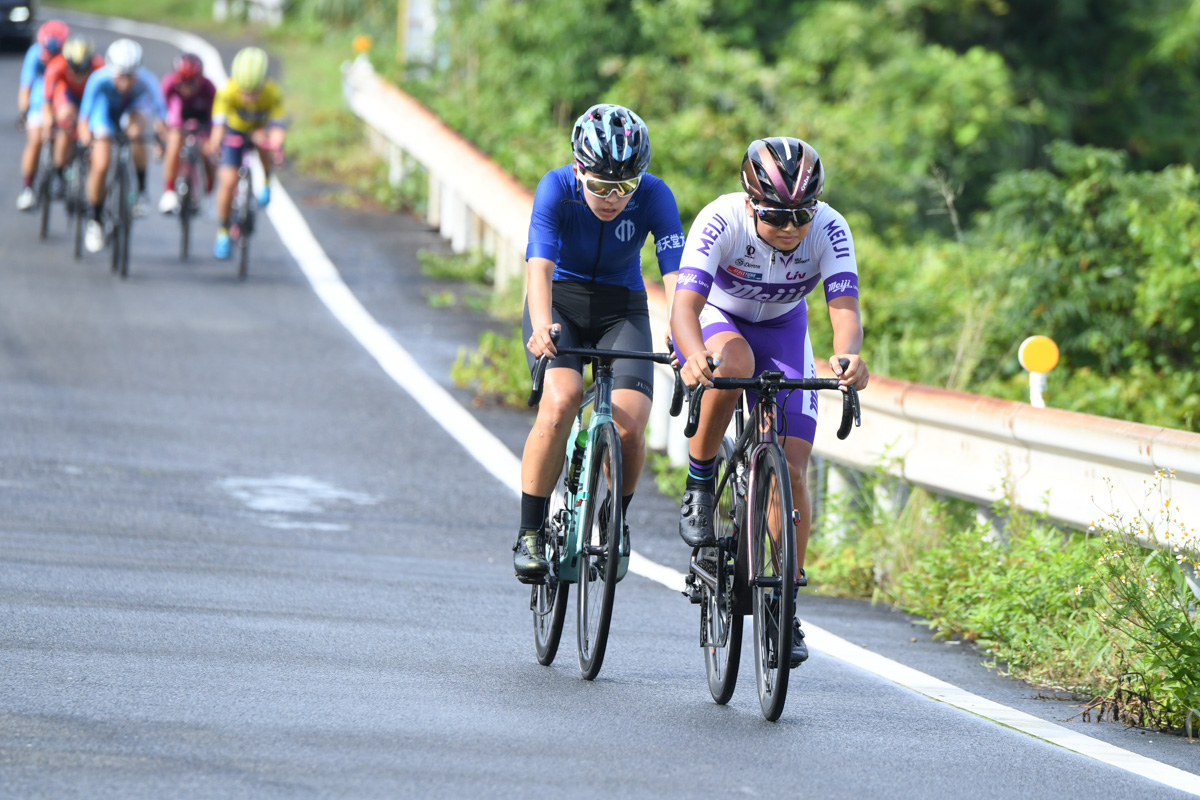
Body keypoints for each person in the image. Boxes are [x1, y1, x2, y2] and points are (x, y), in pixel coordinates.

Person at [669, 136, 870, 665]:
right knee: (732, 368)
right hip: (719, 320)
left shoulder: (830, 227)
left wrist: (848, 357)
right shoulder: (721, 220)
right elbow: (683, 311)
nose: (789, 230)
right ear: (750, 203)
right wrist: (692, 357)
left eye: (800, 216)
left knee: (795, 469)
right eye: (776, 217)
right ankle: (699, 478)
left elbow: (844, 313)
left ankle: (784, 604)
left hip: (784, 328)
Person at [513, 103, 686, 583]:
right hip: (560, 302)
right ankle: (530, 532)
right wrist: (542, 325)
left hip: (620, 306)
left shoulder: (655, 196)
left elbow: (676, 276)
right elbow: (539, 267)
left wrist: (681, 330)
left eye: (623, 188)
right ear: (577, 170)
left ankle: (615, 522)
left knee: (630, 428)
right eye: (599, 186)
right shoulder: (556, 188)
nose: (611, 198)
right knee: (563, 399)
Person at [77, 39, 168, 254]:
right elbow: (84, 119)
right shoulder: (98, 80)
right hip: (104, 112)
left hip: (133, 110)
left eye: (131, 76)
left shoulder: (148, 80)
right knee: (101, 164)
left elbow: (161, 116)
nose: (126, 82)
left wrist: (160, 140)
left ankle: (142, 190)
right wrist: (87, 142)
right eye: (121, 76)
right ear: (111, 70)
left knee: (136, 132)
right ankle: (95, 218)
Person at [208, 46, 286, 260]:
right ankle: (223, 231)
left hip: (259, 129)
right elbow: (218, 127)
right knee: (228, 181)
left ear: (263, 83)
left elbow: (278, 127)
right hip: (235, 130)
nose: (249, 97)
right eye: (244, 91)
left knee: (265, 144)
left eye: (254, 92)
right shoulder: (227, 91)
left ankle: (267, 182)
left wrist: (275, 144)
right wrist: (216, 143)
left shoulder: (272, 92)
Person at [41, 36, 105, 196]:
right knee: (65, 120)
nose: (78, 75)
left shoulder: (100, 67)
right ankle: (59, 172)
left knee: (96, 133)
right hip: (68, 94)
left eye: (83, 70)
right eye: (74, 70)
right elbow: (47, 99)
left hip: (90, 97)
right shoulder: (56, 66)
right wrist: (48, 120)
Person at [15, 19, 69, 211]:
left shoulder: (69, 57)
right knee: (35, 139)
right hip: (39, 104)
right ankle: (27, 187)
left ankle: (61, 173)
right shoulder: (34, 54)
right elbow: (26, 86)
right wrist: (24, 111)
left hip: (60, 102)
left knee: (68, 132)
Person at [158, 52, 216, 215]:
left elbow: (215, 120)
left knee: (208, 151)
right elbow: (160, 115)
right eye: (183, 83)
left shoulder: (209, 88)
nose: (187, 89)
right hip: (178, 121)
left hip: (202, 120)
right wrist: (162, 140)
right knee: (174, 140)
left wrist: (212, 142)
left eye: (192, 84)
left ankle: (209, 192)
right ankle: (169, 190)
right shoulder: (168, 84)